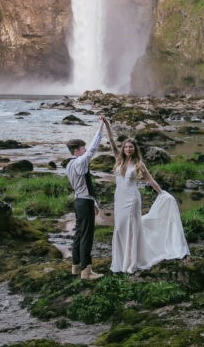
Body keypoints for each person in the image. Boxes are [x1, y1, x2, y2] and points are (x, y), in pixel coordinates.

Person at [105, 120, 189, 274]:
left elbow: (150, 180)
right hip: (119, 199)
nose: (128, 149)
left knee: (130, 228)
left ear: (135, 149)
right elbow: (111, 140)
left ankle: (130, 263)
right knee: (119, 229)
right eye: (126, 146)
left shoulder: (139, 164)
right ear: (123, 148)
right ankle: (121, 261)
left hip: (132, 199)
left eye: (131, 147)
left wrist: (162, 193)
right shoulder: (118, 159)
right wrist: (107, 124)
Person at [65, 115, 108, 280]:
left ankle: (75, 267)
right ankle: (86, 271)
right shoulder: (79, 162)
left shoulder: (69, 164)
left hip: (80, 200)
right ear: (77, 150)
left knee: (78, 234)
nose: (85, 151)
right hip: (83, 202)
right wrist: (100, 127)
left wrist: (94, 203)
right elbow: (93, 149)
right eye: (82, 149)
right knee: (86, 237)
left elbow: (82, 186)